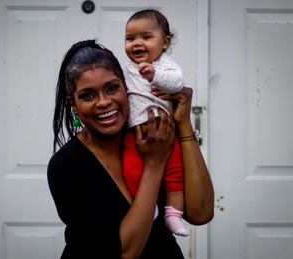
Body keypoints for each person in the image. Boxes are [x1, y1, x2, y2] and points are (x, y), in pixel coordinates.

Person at [47, 39, 214, 259]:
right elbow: (125, 252)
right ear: (73, 105)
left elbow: (200, 213)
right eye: (88, 95)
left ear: (127, 88)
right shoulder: (67, 165)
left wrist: (183, 123)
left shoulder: (154, 136)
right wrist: (154, 165)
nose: (104, 102)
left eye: (112, 88)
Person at [123, 9, 188, 236]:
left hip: (167, 131)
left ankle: (173, 214)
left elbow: (176, 83)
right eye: (130, 39)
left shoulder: (165, 65)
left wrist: (154, 75)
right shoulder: (127, 69)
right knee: (131, 170)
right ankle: (142, 207)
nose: (136, 43)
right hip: (135, 133)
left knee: (175, 174)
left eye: (146, 37)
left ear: (165, 42)